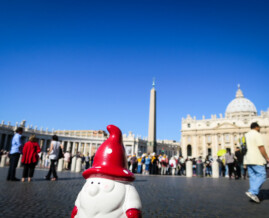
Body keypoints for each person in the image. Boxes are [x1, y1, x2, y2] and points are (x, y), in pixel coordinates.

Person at [244, 122, 269, 203]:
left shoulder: (245, 135)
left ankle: (254, 195)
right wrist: (267, 157)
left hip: (248, 159)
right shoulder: (257, 134)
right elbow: (261, 147)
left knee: (253, 177)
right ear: (257, 127)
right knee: (262, 175)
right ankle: (253, 191)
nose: (260, 129)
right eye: (259, 128)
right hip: (257, 158)